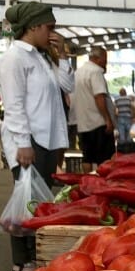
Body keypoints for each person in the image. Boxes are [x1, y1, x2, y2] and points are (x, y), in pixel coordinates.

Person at [0, 1, 68, 271]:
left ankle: (34, 255)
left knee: (38, 199)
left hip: (46, 138)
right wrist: (23, 143)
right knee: (26, 198)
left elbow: (67, 86)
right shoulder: (15, 58)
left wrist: (61, 54)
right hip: (28, 140)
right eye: (49, 27)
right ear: (33, 26)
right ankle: (21, 260)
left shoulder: (41, 55)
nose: (53, 33)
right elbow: (13, 104)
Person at [73, 47, 115, 173]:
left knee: (87, 157)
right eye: (104, 60)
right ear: (97, 58)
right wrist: (107, 119)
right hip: (98, 122)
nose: (105, 63)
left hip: (83, 123)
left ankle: (87, 181)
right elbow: (99, 97)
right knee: (105, 158)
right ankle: (103, 183)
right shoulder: (96, 72)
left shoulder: (78, 72)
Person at [47, 30, 75, 170]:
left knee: (59, 145)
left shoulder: (55, 65)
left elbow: (68, 86)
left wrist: (63, 55)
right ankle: (56, 169)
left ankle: (56, 169)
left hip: (58, 114)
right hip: (46, 121)